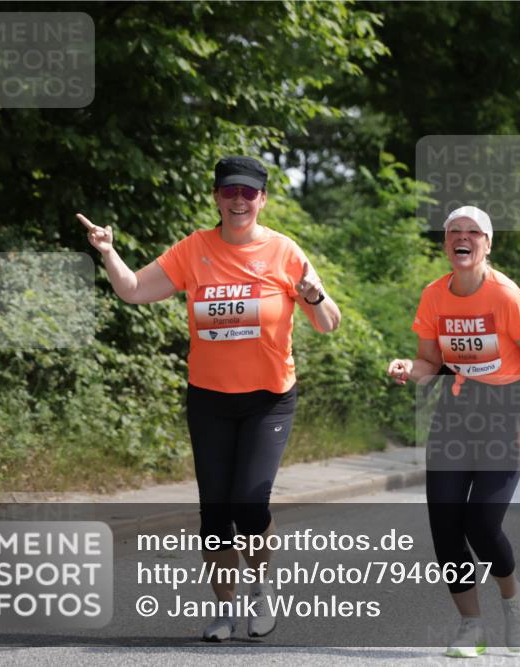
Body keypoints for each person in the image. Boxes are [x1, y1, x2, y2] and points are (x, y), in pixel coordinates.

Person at [78, 156, 341, 641]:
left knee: (250, 504)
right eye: (229, 192)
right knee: (216, 513)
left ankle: (261, 592)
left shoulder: (284, 252)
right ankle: (224, 608)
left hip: (268, 400)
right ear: (217, 197)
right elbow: (134, 290)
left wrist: (312, 296)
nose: (238, 201)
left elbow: (329, 324)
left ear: (262, 199)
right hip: (209, 400)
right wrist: (108, 252)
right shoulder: (194, 249)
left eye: (248, 193)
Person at [386, 205, 520, 658]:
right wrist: (408, 368)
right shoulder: (434, 296)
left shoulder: (506, 296)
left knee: (482, 522)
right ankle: (470, 626)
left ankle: (515, 601)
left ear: (488, 244)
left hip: (505, 410)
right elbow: (431, 363)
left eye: (473, 233)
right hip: (457, 409)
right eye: (454, 232)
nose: (463, 238)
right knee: (445, 525)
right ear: (445, 243)